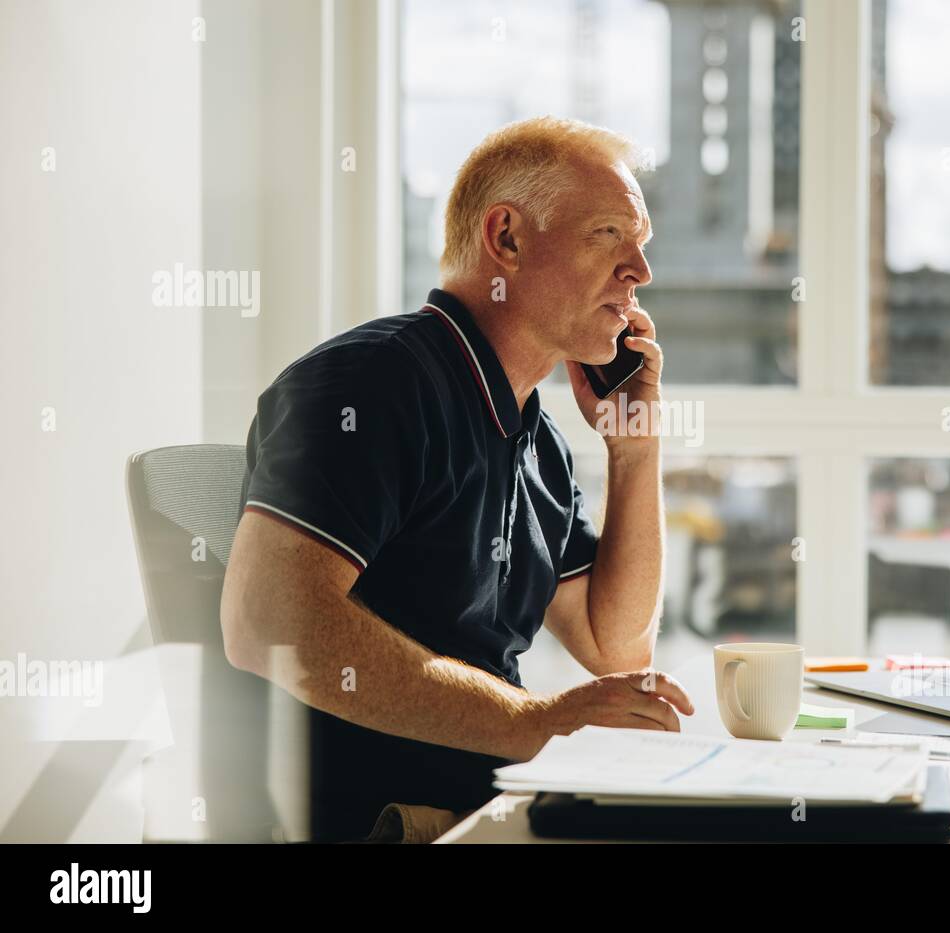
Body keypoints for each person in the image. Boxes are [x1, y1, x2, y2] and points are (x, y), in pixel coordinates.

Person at [219, 116, 694, 842]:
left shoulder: (537, 439)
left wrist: (635, 446)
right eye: (609, 235)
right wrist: (537, 721)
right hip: (393, 822)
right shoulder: (373, 384)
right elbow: (266, 622)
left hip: (490, 810)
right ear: (505, 238)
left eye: (642, 246)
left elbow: (615, 644)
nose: (640, 271)